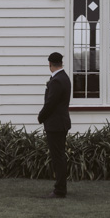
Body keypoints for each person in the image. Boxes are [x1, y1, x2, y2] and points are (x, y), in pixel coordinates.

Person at [37, 51, 71, 198]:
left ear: (50, 64)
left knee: (58, 157)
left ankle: (60, 190)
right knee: (59, 156)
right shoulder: (65, 78)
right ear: (61, 63)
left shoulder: (57, 80)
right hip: (60, 123)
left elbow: (50, 103)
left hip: (56, 124)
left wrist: (41, 116)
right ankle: (60, 187)